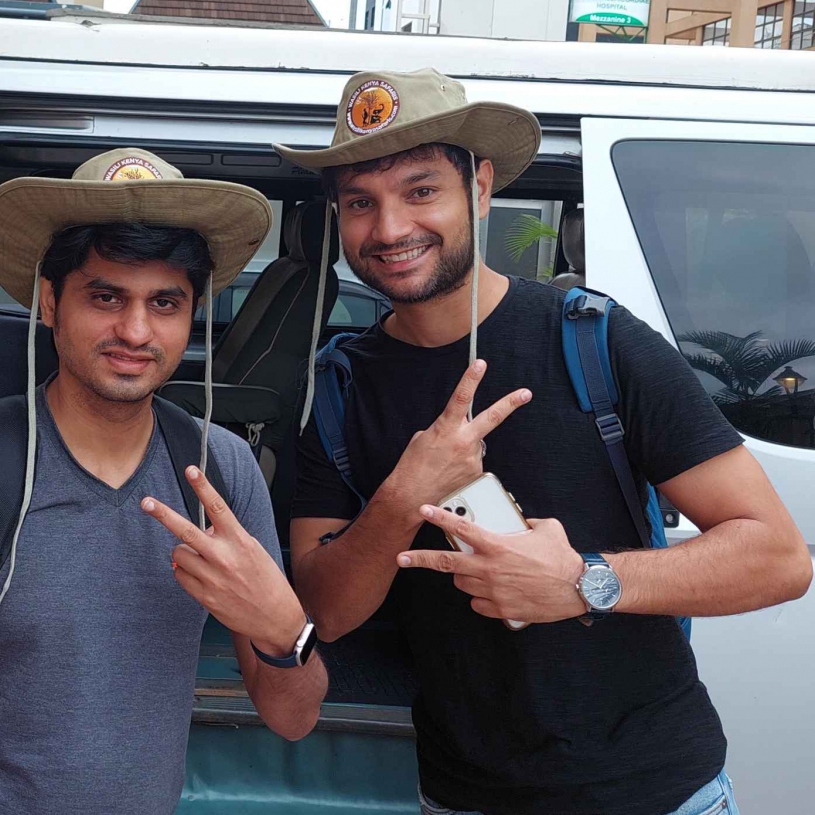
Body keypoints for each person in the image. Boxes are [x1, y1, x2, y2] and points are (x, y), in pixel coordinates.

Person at [276, 69, 812, 815]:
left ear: (481, 186)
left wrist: (585, 579)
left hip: (657, 791)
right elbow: (321, 614)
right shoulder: (340, 386)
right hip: (464, 794)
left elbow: (780, 557)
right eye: (361, 203)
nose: (390, 228)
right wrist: (405, 494)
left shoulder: (591, 338)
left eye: (421, 190)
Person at [0, 148, 328, 814]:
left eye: (165, 302)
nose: (136, 330)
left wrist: (285, 627)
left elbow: (292, 718)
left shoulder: (222, 475)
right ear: (50, 300)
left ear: (191, 315)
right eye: (106, 295)